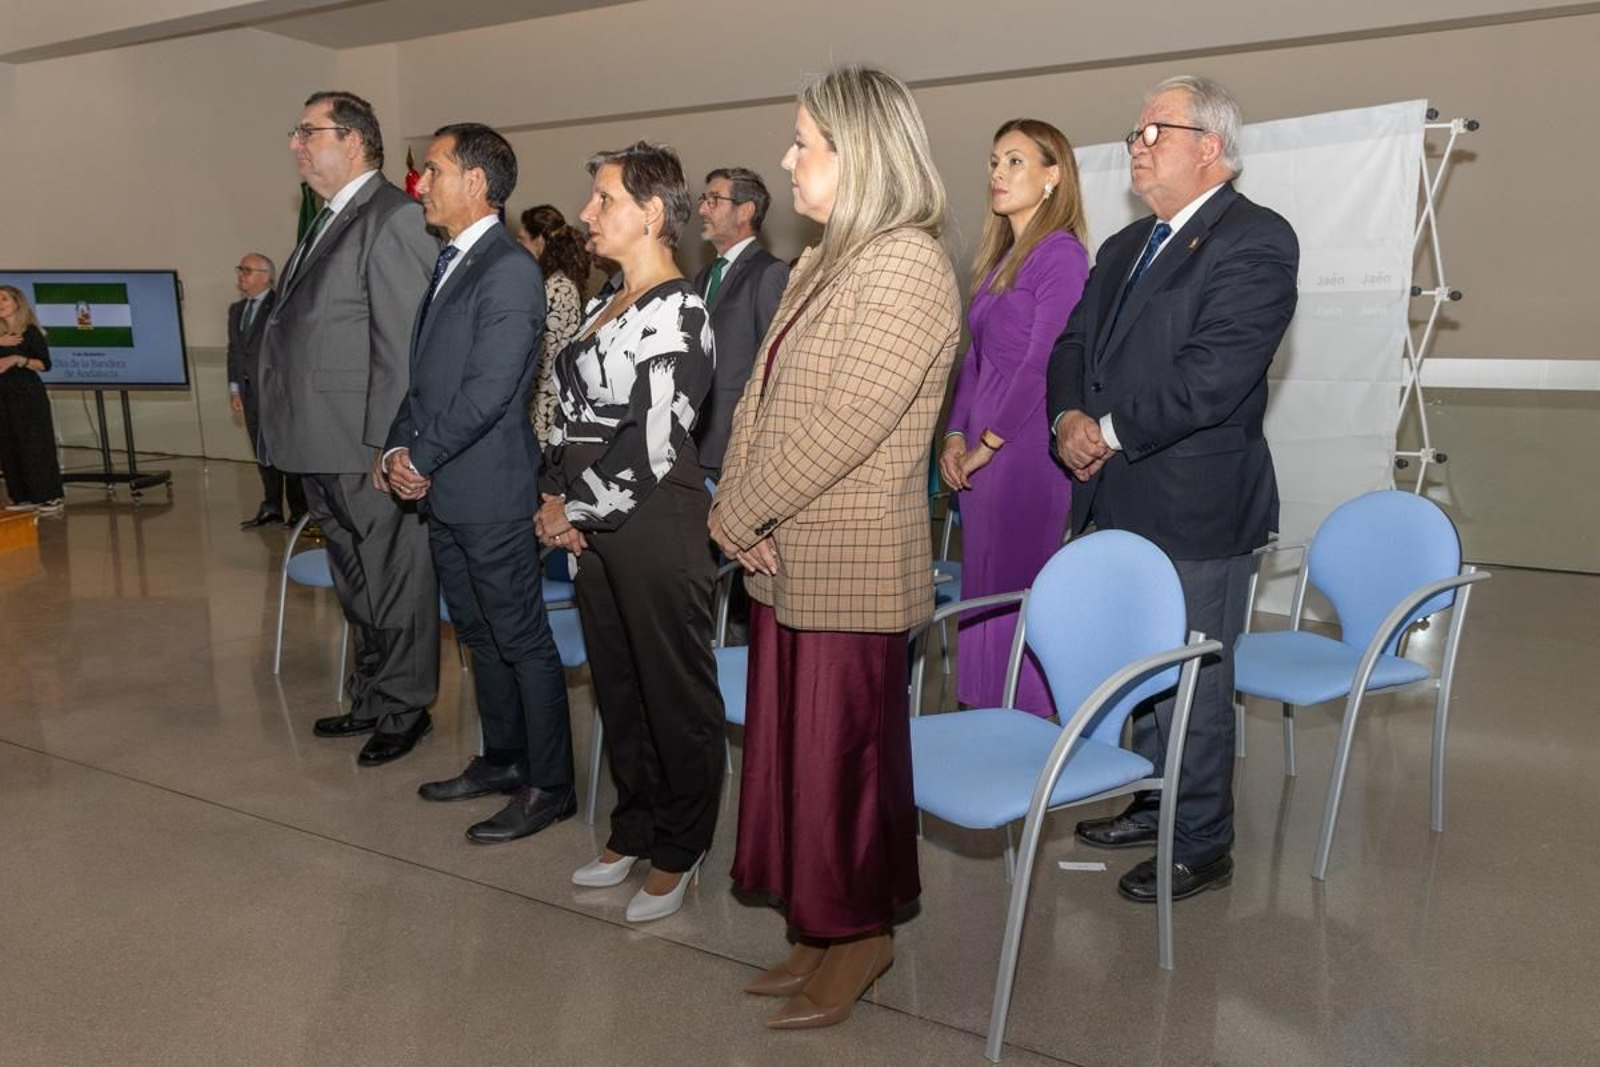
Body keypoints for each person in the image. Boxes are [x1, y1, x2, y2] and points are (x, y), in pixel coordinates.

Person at [709, 66, 962, 1030]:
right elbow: (761, 400)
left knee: (844, 765)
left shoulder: (906, 262)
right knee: (795, 761)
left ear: (859, 153)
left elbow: (848, 423)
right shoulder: (825, 257)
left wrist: (738, 514)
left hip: (849, 560)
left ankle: (861, 934)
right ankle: (814, 925)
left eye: (804, 142)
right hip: (785, 550)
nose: (787, 159)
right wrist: (742, 508)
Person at [1046, 75, 1299, 903]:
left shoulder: (1256, 239)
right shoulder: (1127, 244)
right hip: (1116, 495)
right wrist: (1067, 418)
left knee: (1195, 676)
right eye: (1135, 132)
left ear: (1211, 147)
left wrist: (1107, 431)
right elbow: (1072, 345)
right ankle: (1153, 799)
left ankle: (1200, 837)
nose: (1138, 144)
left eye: (1156, 130)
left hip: (1196, 504)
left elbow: (1213, 375)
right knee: (1141, 663)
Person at [537, 141, 723, 923]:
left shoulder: (681, 309)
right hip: (589, 522)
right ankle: (634, 825)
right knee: (618, 683)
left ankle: (681, 844)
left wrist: (571, 508)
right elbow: (564, 411)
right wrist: (553, 491)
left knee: (672, 690)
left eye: (604, 199)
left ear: (651, 213)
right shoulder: (604, 299)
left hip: (652, 521)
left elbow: (651, 441)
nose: (587, 212)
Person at [383, 124, 577, 842]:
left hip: (490, 492)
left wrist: (421, 457)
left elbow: (489, 390)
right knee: (478, 633)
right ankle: (503, 758)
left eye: (433, 170)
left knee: (520, 637)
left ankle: (550, 784)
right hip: (447, 489)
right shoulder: (453, 261)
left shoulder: (508, 269)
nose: (420, 184)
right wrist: (395, 449)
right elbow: (426, 381)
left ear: (475, 182)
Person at [256, 89, 442, 766]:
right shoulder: (330, 217)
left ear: (355, 140)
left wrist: (390, 445)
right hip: (319, 438)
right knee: (357, 581)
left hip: (364, 443)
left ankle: (406, 707)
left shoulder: (393, 217)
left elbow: (401, 346)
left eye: (309, 132)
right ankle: (371, 696)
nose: (295, 144)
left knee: (394, 578)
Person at [938, 119, 1090, 718]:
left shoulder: (1062, 255)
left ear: (1053, 176)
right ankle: (981, 714)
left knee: (1017, 590)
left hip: (1023, 453)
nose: (998, 174)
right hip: (982, 455)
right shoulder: (1000, 258)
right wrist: (955, 435)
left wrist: (989, 442)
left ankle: (1024, 722)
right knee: (983, 589)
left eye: (1015, 162)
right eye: (995, 162)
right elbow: (974, 359)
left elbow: (1042, 363)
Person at [692, 167, 790, 479]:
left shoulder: (769, 273)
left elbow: (776, 369)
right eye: (704, 199)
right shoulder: (703, 276)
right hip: (692, 445)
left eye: (714, 200)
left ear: (745, 210)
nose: (702, 209)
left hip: (733, 449)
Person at [226, 253, 307, 528]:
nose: (241, 275)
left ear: (266, 276)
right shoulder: (236, 310)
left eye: (247, 270)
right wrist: (235, 389)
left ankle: (299, 511)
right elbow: (234, 352)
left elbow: (290, 351)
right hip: (249, 394)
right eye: (240, 269)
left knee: (285, 452)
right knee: (261, 453)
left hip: (277, 395)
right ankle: (271, 505)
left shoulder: (280, 306)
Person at [516, 204, 590, 446]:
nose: (517, 245)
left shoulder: (559, 289)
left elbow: (543, 359)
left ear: (539, 241)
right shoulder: (550, 283)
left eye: (522, 239)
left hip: (544, 409)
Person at [0, 285, 64, 514]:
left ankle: (49, 496)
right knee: (8, 445)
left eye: (4, 299)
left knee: (35, 445)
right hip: (2, 397)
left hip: (27, 395)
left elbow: (44, 364)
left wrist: (17, 359)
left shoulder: (30, 332)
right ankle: (22, 496)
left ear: (17, 302)